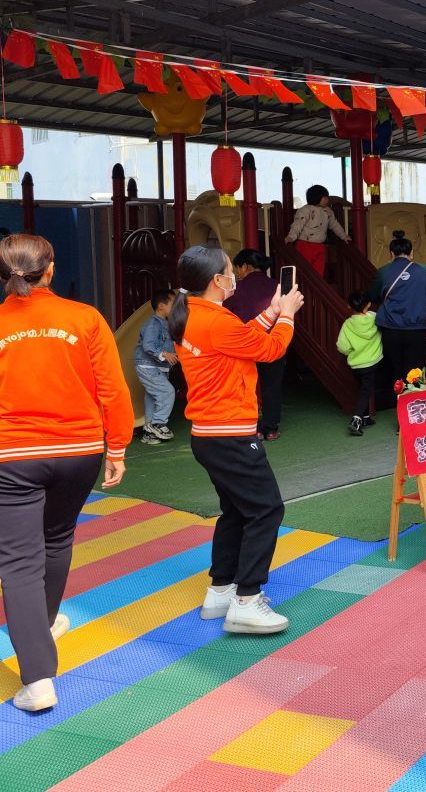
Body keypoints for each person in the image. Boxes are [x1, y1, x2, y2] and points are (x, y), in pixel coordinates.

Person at [0, 234, 132, 712]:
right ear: (50, 269)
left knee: (18, 562)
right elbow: (113, 389)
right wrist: (118, 446)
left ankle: (38, 680)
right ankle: (45, 622)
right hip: (80, 450)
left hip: (13, 455)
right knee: (56, 539)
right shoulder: (84, 318)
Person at [170, 245, 302, 636]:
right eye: (230, 271)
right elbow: (270, 349)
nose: (235, 277)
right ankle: (246, 599)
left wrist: (272, 311)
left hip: (209, 434)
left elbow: (241, 339)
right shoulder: (214, 320)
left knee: (237, 511)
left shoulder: (191, 314)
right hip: (229, 433)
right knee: (266, 510)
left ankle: (221, 590)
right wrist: (288, 316)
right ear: (217, 280)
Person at [224, 250, 285, 442]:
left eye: (238, 268)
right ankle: (271, 429)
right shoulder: (277, 286)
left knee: (247, 386)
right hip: (273, 343)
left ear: (246, 266)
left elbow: (224, 313)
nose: (237, 273)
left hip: (245, 344)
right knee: (272, 386)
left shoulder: (237, 289)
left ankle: (253, 428)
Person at [369, 230, 426, 388]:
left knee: (394, 368)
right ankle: (413, 399)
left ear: (391, 253)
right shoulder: (424, 271)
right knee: (415, 369)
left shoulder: (383, 271)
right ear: (411, 253)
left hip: (390, 328)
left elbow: (373, 295)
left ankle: (396, 398)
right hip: (417, 328)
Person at [135, 289, 178, 445]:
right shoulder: (153, 324)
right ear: (161, 306)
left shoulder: (166, 324)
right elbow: (148, 345)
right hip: (148, 366)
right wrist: (164, 354)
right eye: (173, 304)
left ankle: (149, 433)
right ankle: (158, 424)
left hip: (158, 367)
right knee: (167, 392)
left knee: (153, 398)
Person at [337, 292, 382, 436]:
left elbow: (342, 346)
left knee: (363, 389)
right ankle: (356, 420)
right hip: (372, 362)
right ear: (368, 304)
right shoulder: (375, 318)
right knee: (366, 391)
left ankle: (366, 417)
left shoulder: (348, 324)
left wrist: (353, 351)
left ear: (349, 306)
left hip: (356, 365)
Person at [284, 184, 348, 277]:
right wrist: (291, 237)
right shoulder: (306, 210)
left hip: (320, 245)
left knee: (318, 272)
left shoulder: (328, 211)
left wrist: (344, 236)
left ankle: (317, 285)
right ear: (316, 197)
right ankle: (303, 285)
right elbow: (297, 225)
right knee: (303, 271)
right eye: (324, 197)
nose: (327, 200)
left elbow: (335, 225)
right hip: (305, 245)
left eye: (327, 197)